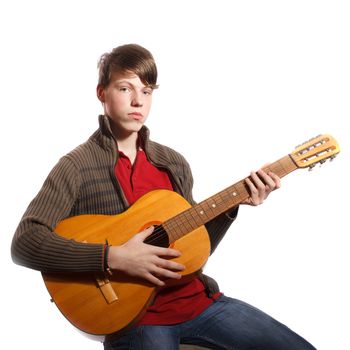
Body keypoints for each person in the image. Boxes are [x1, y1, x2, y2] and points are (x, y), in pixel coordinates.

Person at [11, 44, 316, 350]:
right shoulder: (76, 167)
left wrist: (234, 206)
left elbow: (194, 247)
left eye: (146, 91)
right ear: (101, 93)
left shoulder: (172, 163)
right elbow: (25, 242)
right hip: (137, 320)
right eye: (124, 88)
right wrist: (115, 258)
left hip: (199, 303)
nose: (137, 101)